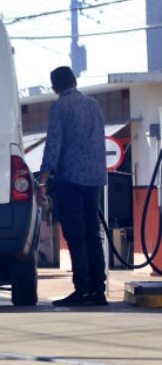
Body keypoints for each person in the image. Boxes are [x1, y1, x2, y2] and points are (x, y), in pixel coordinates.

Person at [38, 66, 108, 307]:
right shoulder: (94, 105)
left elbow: (53, 147)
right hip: (95, 179)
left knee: (76, 236)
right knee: (92, 235)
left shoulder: (60, 107)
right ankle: (98, 290)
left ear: (55, 87)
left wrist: (42, 182)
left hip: (71, 179)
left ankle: (83, 289)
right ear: (75, 82)